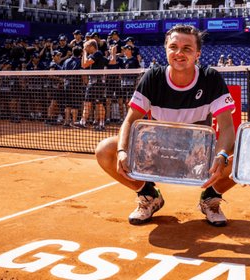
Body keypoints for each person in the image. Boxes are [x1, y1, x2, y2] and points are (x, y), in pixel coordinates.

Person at [95, 25, 236, 227]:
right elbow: (130, 120)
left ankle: (210, 198)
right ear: (166, 50)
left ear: (197, 54)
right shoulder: (153, 77)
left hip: (197, 156)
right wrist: (122, 151)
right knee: (105, 149)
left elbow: (227, 126)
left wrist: (221, 155)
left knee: (243, 156)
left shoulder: (211, 78)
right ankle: (149, 195)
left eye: (187, 48)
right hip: (157, 153)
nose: (179, 53)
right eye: (173, 47)